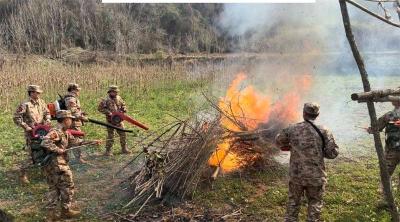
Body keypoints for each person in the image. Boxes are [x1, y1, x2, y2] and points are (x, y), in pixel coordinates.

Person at [275, 102, 339, 222]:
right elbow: (333, 153)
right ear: (317, 115)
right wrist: (319, 152)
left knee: (293, 203)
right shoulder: (324, 130)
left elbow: (278, 141)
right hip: (316, 176)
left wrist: (290, 146)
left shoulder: (292, 128)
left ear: (304, 113)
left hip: (296, 176)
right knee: (315, 204)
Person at [40, 110, 100, 220]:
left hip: (53, 166)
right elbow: (44, 142)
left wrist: (91, 142)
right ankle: (65, 211)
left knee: (54, 188)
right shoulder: (56, 132)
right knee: (67, 187)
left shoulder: (65, 132)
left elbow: (76, 142)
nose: (72, 121)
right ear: (65, 119)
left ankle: (51, 215)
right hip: (58, 165)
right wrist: (59, 150)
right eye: (70, 119)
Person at [13, 85, 51, 184]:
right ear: (31, 92)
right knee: (31, 154)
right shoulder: (25, 104)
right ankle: (23, 173)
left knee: (44, 150)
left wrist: (47, 119)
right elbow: (16, 118)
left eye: (39, 93)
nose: (39, 95)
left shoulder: (42, 102)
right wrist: (26, 127)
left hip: (42, 131)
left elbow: (47, 112)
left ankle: (44, 172)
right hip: (31, 133)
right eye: (37, 93)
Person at [367, 100, 400, 188]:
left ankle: (386, 196)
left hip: (392, 151)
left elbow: (375, 128)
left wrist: (370, 129)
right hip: (393, 150)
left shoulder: (389, 115)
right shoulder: (389, 115)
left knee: (386, 173)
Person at [98, 85, 130, 156]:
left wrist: (124, 109)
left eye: (116, 92)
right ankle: (108, 151)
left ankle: (124, 149)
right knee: (110, 136)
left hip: (119, 120)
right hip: (110, 121)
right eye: (114, 92)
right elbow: (100, 109)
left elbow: (123, 104)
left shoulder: (119, 98)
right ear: (110, 92)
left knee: (123, 134)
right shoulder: (105, 100)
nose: (116, 93)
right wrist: (108, 112)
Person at [63, 83, 88, 163]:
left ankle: (66, 157)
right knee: (76, 140)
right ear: (73, 90)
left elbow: (75, 110)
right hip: (73, 123)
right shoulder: (71, 99)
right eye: (77, 90)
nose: (78, 92)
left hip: (74, 122)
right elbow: (73, 112)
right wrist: (82, 117)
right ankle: (78, 158)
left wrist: (82, 112)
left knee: (72, 140)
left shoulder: (72, 98)